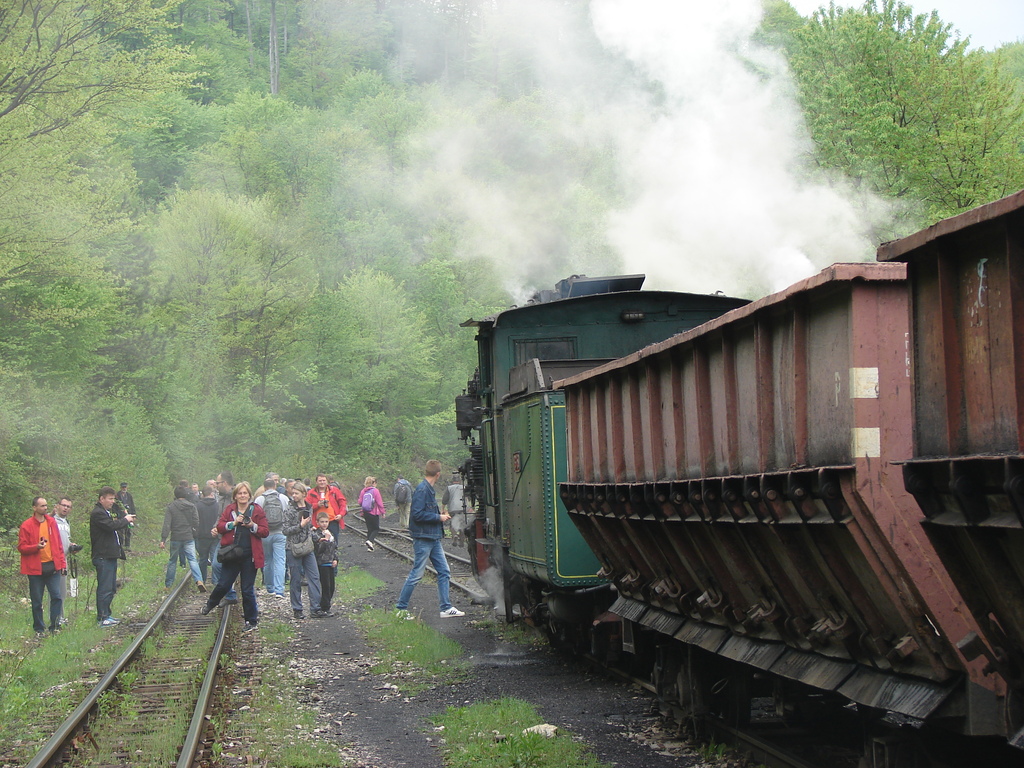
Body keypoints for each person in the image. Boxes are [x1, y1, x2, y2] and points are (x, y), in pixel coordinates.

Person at [395, 461, 465, 619]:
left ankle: (446, 608)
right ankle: (401, 608)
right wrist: (438, 517)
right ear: (438, 474)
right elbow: (417, 515)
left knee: (444, 571)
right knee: (417, 574)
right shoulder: (422, 490)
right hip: (423, 538)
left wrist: (437, 515)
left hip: (433, 537)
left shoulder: (428, 489)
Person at [200, 482, 269, 631]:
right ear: (235, 496)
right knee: (224, 584)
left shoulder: (256, 510)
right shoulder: (230, 509)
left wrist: (252, 526)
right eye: (240, 493)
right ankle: (210, 604)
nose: (243, 496)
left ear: (249, 495)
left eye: (245, 493)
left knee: (247, 589)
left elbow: (264, 531)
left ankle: (251, 621)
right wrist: (233, 523)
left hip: (250, 555)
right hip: (232, 554)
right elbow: (220, 527)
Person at [19, 497, 67, 635]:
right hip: (35, 569)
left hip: (53, 567)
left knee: (56, 596)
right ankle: (39, 629)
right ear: (34, 508)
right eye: (42, 506)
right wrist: (36, 547)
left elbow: (58, 544)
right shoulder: (26, 525)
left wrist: (62, 563)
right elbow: (22, 547)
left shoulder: (51, 522)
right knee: (36, 601)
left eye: (46, 506)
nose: (45, 508)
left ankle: (55, 625)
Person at [90, 485, 135, 626]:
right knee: (104, 587)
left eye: (113, 499)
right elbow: (110, 526)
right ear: (101, 499)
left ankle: (107, 614)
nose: (112, 502)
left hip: (110, 555)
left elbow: (112, 525)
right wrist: (125, 520)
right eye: (109, 499)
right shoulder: (98, 513)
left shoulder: (106, 512)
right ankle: (102, 617)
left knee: (110, 587)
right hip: (103, 556)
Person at [283, 482, 322, 619]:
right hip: (293, 548)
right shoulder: (289, 510)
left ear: (304, 494)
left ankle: (316, 608)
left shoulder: (309, 508)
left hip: (307, 546)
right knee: (295, 579)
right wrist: (300, 526)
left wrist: (318, 538)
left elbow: (309, 528)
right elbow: (286, 530)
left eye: (296, 493)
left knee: (314, 576)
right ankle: (297, 609)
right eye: (292, 493)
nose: (294, 496)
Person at [160, 486, 206, 593]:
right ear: (186, 495)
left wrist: (163, 539)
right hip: (188, 536)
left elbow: (167, 524)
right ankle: (199, 580)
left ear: (175, 495)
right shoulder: (191, 506)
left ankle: (168, 585)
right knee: (192, 559)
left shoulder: (171, 507)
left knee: (172, 561)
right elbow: (196, 522)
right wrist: (192, 529)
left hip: (176, 537)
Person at [255, 476, 290, 599]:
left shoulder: (259, 499)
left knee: (267, 560)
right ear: (275, 486)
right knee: (280, 561)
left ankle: (270, 588)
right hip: (280, 533)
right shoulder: (283, 498)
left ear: (264, 487)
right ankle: (279, 590)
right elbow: (287, 513)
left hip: (265, 534)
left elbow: (256, 517)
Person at [209, 471, 238, 604]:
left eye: (218, 483)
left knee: (242, 569)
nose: (216, 485)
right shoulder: (221, 499)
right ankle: (229, 594)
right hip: (223, 538)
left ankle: (238, 596)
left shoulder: (237, 496)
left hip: (237, 538)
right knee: (216, 565)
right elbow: (219, 517)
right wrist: (215, 527)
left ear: (225, 483)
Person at [53, 497, 82, 624]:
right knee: (54, 591)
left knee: (62, 591)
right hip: (53, 560)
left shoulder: (66, 523)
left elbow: (65, 539)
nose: (65, 508)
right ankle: (55, 618)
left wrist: (71, 546)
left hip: (64, 560)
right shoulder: (51, 521)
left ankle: (60, 616)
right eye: (63, 505)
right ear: (57, 506)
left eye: (68, 506)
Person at [305, 474, 346, 542]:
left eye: (324, 480)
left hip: (332, 521)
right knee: (319, 544)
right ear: (316, 482)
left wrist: (341, 514)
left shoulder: (334, 490)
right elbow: (306, 507)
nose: (322, 482)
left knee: (334, 543)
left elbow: (342, 503)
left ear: (327, 481)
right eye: (320, 480)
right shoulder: (311, 493)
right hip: (317, 524)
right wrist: (317, 505)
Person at [311, 512, 337, 617]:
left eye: (326, 522)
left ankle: (326, 605)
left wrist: (335, 559)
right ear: (317, 522)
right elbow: (319, 549)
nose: (324, 524)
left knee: (331, 586)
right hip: (321, 563)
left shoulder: (330, 533)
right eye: (322, 522)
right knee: (325, 586)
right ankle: (325, 607)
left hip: (330, 562)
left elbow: (334, 548)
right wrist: (325, 539)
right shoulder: (316, 534)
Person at [194, 485, 220, 583]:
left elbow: (195, 521)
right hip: (215, 535)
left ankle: (202, 580)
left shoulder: (198, 506)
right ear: (212, 494)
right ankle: (215, 580)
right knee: (214, 558)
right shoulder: (217, 505)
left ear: (202, 494)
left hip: (202, 536)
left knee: (203, 559)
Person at [358, 476, 386, 551]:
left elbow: (360, 502)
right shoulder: (375, 491)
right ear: (373, 483)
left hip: (365, 512)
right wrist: (383, 512)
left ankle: (369, 547)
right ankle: (370, 541)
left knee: (370, 529)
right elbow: (379, 503)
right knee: (376, 528)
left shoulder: (363, 491)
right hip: (374, 512)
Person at [441, 475, 466, 547]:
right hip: (462, 508)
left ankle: (454, 535)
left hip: (453, 509)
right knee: (462, 524)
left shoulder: (449, 488)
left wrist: (442, 509)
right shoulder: (463, 487)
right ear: (460, 481)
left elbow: (444, 500)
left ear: (452, 481)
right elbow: (468, 498)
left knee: (452, 523)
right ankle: (461, 541)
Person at [116, 482, 136, 552]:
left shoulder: (129, 496)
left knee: (128, 531)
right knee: (120, 531)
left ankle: (127, 546)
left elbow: (132, 505)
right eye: (123, 487)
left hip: (129, 516)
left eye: (125, 487)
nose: (124, 488)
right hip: (120, 516)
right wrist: (115, 515)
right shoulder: (117, 496)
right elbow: (114, 506)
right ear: (120, 487)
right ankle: (120, 545)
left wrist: (134, 515)